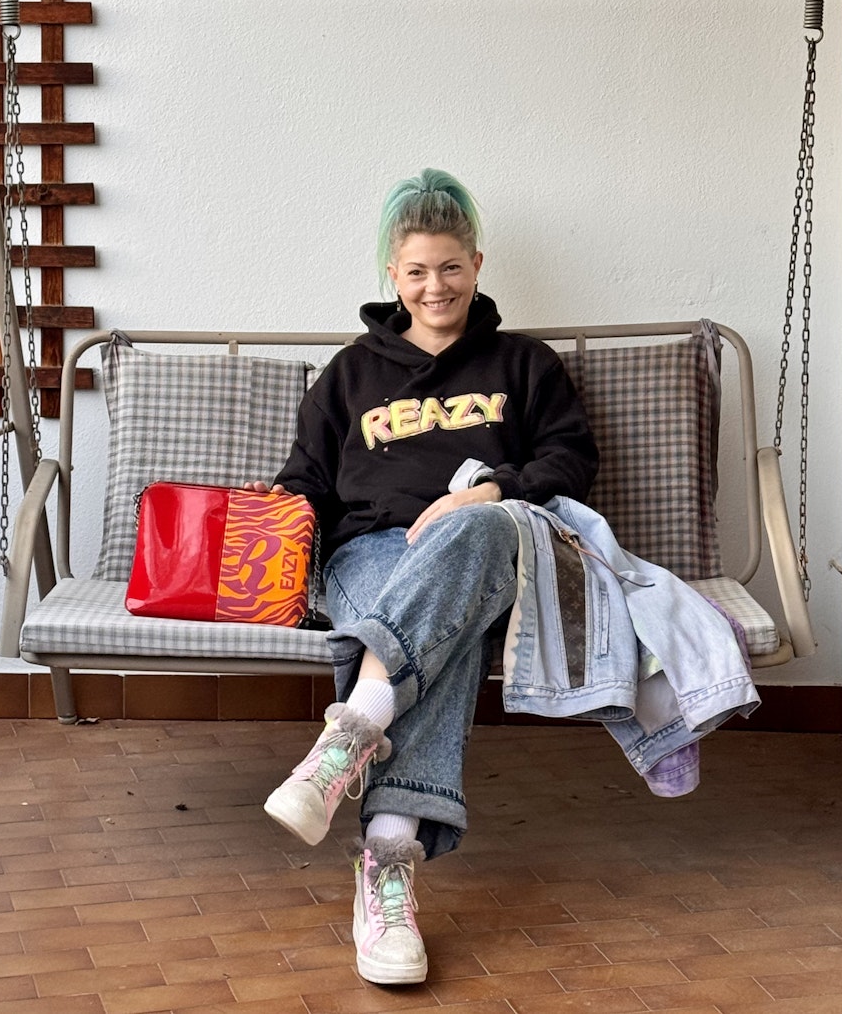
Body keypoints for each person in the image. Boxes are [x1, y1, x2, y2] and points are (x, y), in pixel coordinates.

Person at [253, 169, 598, 985]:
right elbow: (305, 481)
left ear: (476, 265)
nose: (434, 286)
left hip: (491, 547)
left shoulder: (524, 363)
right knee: (444, 632)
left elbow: (569, 460)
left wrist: (491, 491)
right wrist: (263, 532)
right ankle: (387, 859)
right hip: (371, 554)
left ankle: (346, 742)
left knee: (475, 531)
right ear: (392, 274)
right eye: (416, 271)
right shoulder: (350, 373)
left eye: (449, 267)